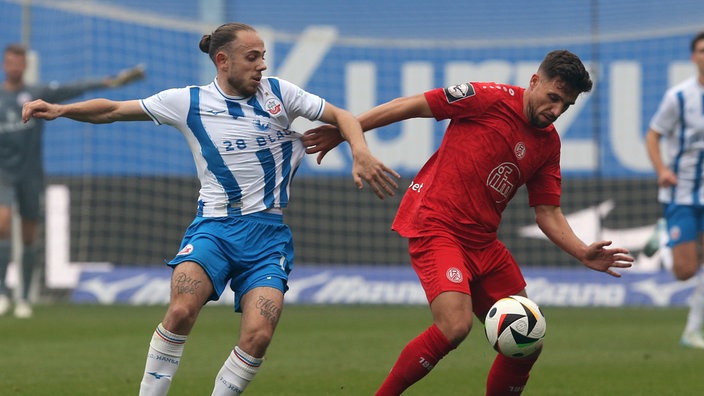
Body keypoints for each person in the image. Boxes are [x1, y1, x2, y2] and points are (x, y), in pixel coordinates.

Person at [23, 22, 399, 395]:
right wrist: (61, 109)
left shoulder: (281, 94)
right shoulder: (188, 102)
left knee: (258, 335)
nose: (262, 65)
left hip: (268, 238)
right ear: (223, 60)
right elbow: (114, 110)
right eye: (252, 58)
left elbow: (344, 117)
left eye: (263, 57)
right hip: (214, 230)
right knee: (182, 310)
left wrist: (360, 153)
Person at [302, 49, 634, 395]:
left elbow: (547, 212)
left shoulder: (549, 144)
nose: (556, 111)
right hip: (437, 226)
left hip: (483, 242)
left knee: (526, 338)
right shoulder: (487, 98)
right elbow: (412, 105)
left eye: (565, 105)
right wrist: (346, 131)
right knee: (454, 326)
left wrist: (581, 252)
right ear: (535, 81)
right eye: (553, 97)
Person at [0, 43, 145, 319]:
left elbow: (74, 88)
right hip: (3, 173)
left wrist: (111, 81)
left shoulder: (36, 93)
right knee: (3, 223)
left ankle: (24, 298)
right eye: (10, 62)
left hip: (30, 173)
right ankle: (2, 294)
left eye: (19, 62)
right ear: (5, 65)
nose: (14, 66)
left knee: (29, 234)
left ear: (24, 65)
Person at [645, 31, 704, 349]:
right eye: (702, 50)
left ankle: (692, 330)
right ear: (693, 57)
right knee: (685, 271)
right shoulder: (678, 97)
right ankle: (664, 232)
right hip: (682, 194)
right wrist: (662, 170)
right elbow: (653, 135)